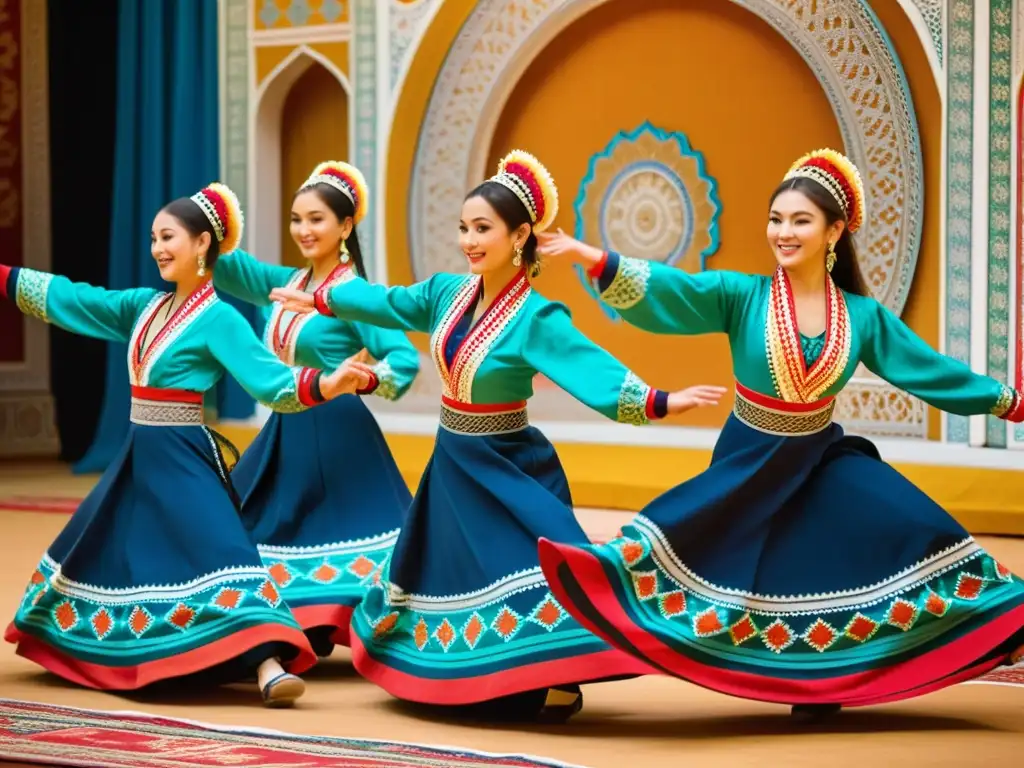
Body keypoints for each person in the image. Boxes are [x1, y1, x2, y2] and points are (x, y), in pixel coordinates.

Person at [533, 148, 1024, 720]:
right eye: (776, 219)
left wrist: (1009, 403)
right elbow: (675, 291)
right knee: (705, 562)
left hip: (819, 459)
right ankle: (589, 622)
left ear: (834, 230)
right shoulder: (743, 297)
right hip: (751, 460)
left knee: (913, 526)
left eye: (799, 220)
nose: (783, 232)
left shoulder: (861, 317)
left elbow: (927, 369)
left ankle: (881, 658)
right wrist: (593, 257)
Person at [270, 150, 726, 721]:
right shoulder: (445, 294)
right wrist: (320, 295)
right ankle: (467, 672)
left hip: (504, 460)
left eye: (483, 228)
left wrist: (660, 400)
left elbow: (591, 368)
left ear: (520, 236)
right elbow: (386, 302)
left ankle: (557, 673)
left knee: (527, 565)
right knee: (447, 571)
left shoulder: (535, 316)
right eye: (464, 227)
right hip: (452, 462)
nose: (469, 240)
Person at [1, 182, 374, 707]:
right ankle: (121, 651)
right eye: (153, 237)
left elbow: (270, 383)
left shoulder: (219, 318)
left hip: (184, 460)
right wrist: (6, 278)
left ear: (203, 244)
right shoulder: (142, 306)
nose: (157, 248)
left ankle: (269, 666)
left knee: (223, 557)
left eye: (168, 236)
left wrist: (326, 383)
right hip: (138, 459)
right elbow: (74, 299)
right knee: (101, 553)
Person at [214, 161, 419, 657]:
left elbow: (405, 357)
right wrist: (205, 218)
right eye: (296, 219)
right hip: (286, 429)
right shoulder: (287, 282)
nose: (303, 230)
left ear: (346, 226)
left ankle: (329, 626)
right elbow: (223, 264)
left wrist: (365, 378)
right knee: (243, 522)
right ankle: (292, 627)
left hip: (337, 432)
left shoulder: (355, 295)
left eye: (316, 219)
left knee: (334, 531)